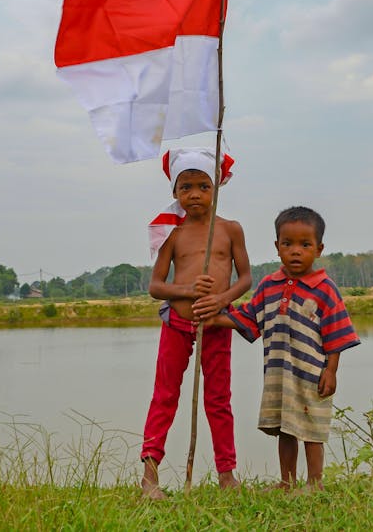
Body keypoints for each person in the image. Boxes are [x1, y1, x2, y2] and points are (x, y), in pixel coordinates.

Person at [193, 205, 360, 493]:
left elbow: (337, 333)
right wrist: (215, 319)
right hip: (278, 375)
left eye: (305, 245)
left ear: (318, 249)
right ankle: (287, 482)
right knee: (285, 428)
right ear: (277, 247)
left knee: (310, 430)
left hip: (311, 374)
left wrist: (331, 371)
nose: (296, 251)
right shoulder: (270, 285)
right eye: (288, 244)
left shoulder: (325, 289)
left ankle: (314, 483)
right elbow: (249, 317)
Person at [141, 148, 252, 498]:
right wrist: (188, 290)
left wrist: (222, 299)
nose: (194, 194)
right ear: (175, 192)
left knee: (219, 399)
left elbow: (245, 278)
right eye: (185, 187)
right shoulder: (171, 233)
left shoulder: (230, 230)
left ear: (216, 187)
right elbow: (156, 287)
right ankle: (150, 479)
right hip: (177, 324)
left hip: (216, 325)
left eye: (203, 186)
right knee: (165, 396)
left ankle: (226, 474)